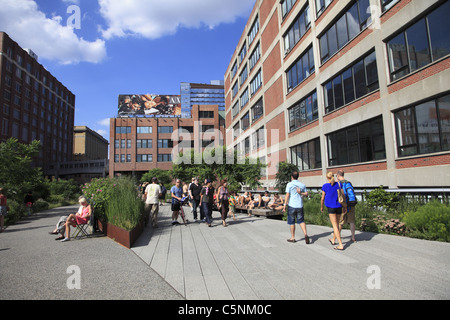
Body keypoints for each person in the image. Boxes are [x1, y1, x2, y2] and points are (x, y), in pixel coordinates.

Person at [283, 172, 310, 244]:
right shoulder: (302, 185)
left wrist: (284, 205)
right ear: (298, 176)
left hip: (292, 205)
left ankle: (292, 237)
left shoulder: (289, 184)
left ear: (292, 177)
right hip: (299, 205)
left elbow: (287, 195)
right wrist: (301, 192)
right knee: (301, 220)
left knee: (292, 222)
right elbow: (306, 194)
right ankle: (305, 234)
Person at [321, 172, 344, 250]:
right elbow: (342, 194)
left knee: (334, 226)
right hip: (339, 206)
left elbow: (322, 198)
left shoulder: (325, 186)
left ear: (327, 177)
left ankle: (340, 244)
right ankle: (333, 239)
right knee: (336, 224)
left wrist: (321, 207)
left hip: (331, 206)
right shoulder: (338, 184)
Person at [336, 170, 357, 243]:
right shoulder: (348, 183)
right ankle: (353, 237)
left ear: (338, 175)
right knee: (351, 221)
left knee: (340, 221)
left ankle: (338, 236)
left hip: (343, 205)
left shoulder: (338, 184)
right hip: (351, 204)